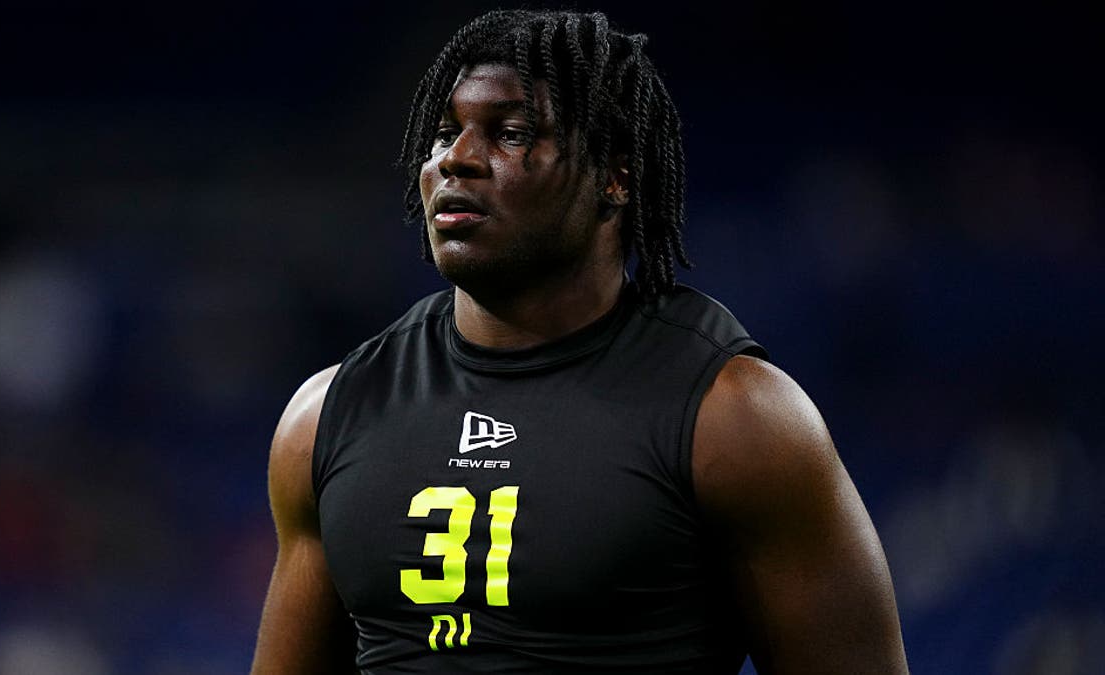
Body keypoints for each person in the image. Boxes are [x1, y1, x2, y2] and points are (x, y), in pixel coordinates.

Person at [250, 9, 909, 674]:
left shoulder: (736, 418)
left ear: (615, 178)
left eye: (508, 134)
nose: (456, 159)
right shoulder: (326, 415)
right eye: (446, 133)